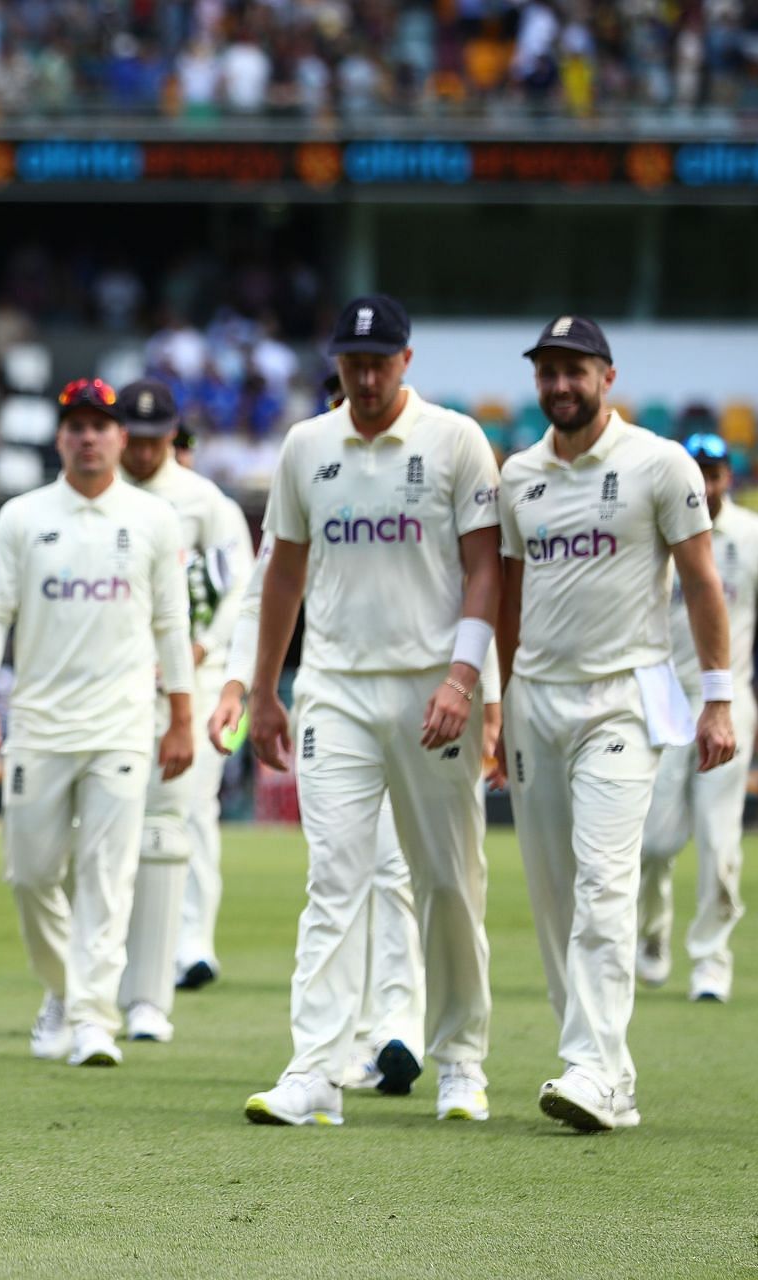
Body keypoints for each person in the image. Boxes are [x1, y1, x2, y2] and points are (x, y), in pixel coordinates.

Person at [241, 295, 501, 1127]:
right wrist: (263, 690)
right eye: (352, 363)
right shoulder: (306, 445)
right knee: (334, 880)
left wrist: (466, 680)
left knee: (448, 882)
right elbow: (282, 572)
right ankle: (315, 1069)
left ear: (406, 361)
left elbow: (486, 569)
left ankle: (462, 1060)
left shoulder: (456, 440)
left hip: (434, 688)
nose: (365, 376)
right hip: (335, 690)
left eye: (379, 361)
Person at [498, 315, 735, 1132]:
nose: (560, 385)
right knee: (556, 897)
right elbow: (505, 598)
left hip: (621, 699)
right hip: (534, 698)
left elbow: (703, 584)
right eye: (547, 371)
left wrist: (720, 697)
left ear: (607, 375)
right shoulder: (518, 475)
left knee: (605, 883)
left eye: (575, 370)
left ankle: (591, 1067)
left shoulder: (661, 464)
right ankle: (606, 1073)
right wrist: (495, 701)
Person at [211, 520, 507, 1098]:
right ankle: (331, 1056)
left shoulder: (444, 450)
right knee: (338, 875)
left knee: (425, 875)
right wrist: (238, 687)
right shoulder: (310, 458)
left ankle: (417, 1039)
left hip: (430, 699)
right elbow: (265, 590)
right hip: (335, 696)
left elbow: (478, 582)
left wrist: (487, 703)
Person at [0, 377, 196, 1069]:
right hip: (39, 722)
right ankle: (66, 991)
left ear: (123, 437)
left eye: (102, 425)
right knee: (31, 875)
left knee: (108, 875)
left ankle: (94, 1016)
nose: (89, 437)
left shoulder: (153, 520)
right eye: (77, 425)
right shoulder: (24, 516)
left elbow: (172, 624)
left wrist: (181, 716)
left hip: (122, 723)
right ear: (61, 436)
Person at [114, 376, 250, 1042]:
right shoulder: (102, 493)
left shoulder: (204, 502)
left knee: (190, 808)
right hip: (120, 678)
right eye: (131, 438)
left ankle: (188, 942)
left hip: (197, 677)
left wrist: (207, 651)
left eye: (153, 439)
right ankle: (129, 949)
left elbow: (238, 588)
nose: (140, 451)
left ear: (175, 436)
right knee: (120, 814)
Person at [637, 432, 758, 1002]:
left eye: (716, 472)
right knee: (652, 843)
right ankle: (652, 935)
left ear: (731, 477)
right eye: (697, 472)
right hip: (661, 702)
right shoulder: (652, 529)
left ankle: (711, 960)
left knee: (718, 839)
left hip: (728, 705)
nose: (705, 484)